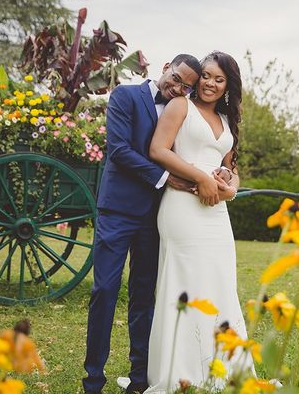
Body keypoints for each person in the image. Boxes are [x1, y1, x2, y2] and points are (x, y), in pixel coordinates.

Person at [82, 54, 203, 394]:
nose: (177, 87)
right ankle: (93, 379)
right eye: (177, 78)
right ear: (166, 67)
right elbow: (118, 150)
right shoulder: (126, 96)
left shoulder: (182, 111)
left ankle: (139, 379)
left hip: (155, 216)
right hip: (118, 211)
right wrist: (166, 177)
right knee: (104, 290)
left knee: (144, 296)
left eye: (186, 87)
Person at [146, 51, 253, 392]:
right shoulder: (181, 107)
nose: (209, 83)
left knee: (219, 281)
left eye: (218, 79)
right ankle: (179, 372)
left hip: (217, 214)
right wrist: (201, 179)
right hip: (181, 208)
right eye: (206, 75)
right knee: (185, 285)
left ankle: (222, 367)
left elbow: (232, 170)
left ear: (227, 87)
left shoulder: (226, 121)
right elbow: (159, 150)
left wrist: (227, 188)